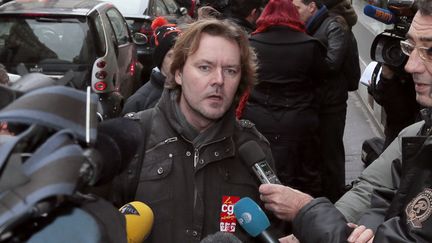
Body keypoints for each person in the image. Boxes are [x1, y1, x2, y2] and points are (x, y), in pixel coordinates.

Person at [259, 1, 432, 242]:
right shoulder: (419, 131)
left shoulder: (332, 29)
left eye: (430, 51)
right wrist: (354, 228)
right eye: (409, 47)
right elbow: (375, 192)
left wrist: (307, 212)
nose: (411, 65)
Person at [111, 18, 284, 242]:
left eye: (230, 70)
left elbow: (274, 231)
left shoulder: (254, 150)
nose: (219, 80)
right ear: (179, 73)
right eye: (205, 67)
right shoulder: (133, 139)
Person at [240, 0, 326, 196]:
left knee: (260, 170)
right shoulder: (310, 45)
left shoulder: (251, 43)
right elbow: (321, 80)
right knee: (303, 175)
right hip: (299, 119)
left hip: (259, 117)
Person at [292, 0, 360, 202]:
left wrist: (302, 60)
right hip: (318, 100)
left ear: (311, 7)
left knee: (331, 152)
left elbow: (332, 63)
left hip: (332, 102)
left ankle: (336, 197)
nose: (294, 13)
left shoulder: (334, 25)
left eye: (298, 9)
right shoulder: (312, 26)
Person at [122, 17, 181, 114]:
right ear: (160, 60)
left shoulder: (193, 92)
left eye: (182, 54)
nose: (179, 60)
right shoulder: (138, 104)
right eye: (172, 55)